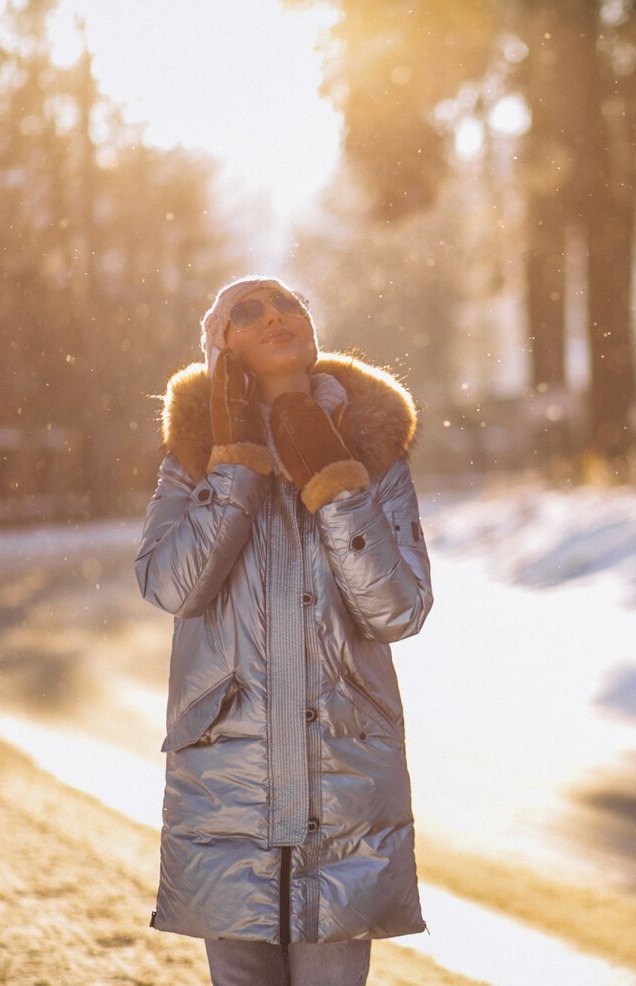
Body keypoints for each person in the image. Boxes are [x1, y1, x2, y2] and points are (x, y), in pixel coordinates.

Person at [133, 275, 434, 986]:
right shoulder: (192, 456)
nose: (274, 317)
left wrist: (337, 485)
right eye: (248, 312)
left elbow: (400, 608)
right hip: (224, 784)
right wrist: (233, 467)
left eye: (288, 305)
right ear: (222, 345)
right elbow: (171, 583)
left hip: (344, 779)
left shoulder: (373, 449)